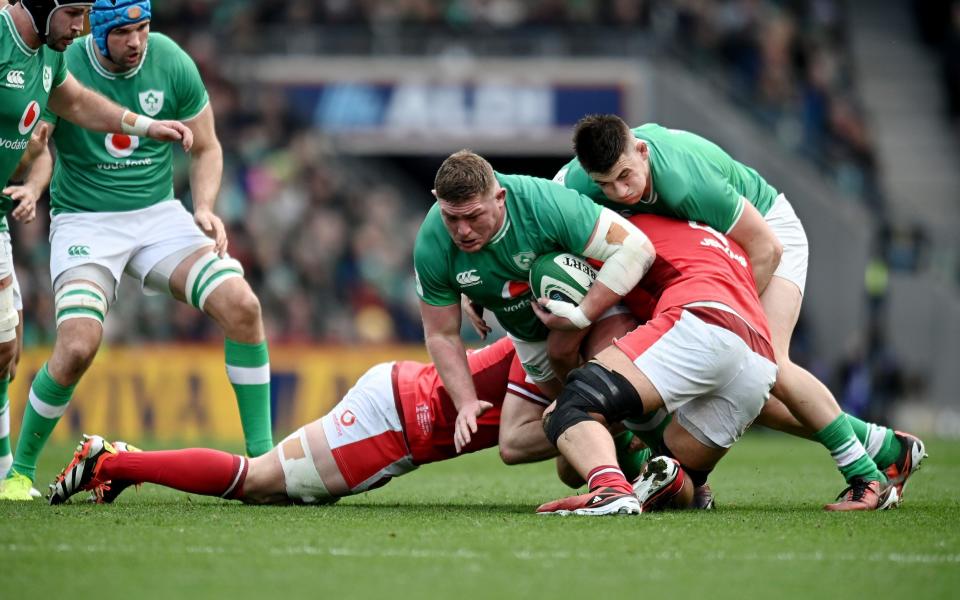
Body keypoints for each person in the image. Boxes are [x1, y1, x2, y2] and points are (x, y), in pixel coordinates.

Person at [553, 115, 924, 510]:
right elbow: (539, 212)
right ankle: (886, 448)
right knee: (745, 379)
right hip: (715, 257)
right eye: (605, 184)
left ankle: (865, 475)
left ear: (642, 152)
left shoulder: (683, 179)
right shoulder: (575, 182)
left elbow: (767, 247)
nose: (619, 191)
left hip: (767, 232)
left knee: (767, 364)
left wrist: (731, 317)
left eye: (625, 176)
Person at [0, 0, 273, 502]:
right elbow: (38, 146)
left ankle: (264, 461)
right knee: (78, 345)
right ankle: (19, 471)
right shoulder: (64, 56)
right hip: (85, 219)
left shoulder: (172, 60)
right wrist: (35, 185)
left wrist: (205, 206)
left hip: (158, 216)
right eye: (124, 32)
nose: (137, 42)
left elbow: (208, 146)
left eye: (144, 28)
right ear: (98, 31)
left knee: (243, 306)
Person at [535, 213, 900, 515]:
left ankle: (614, 490)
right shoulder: (710, 228)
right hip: (755, 348)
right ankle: (873, 465)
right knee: (678, 473)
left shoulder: (622, 230)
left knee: (570, 410)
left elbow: (560, 362)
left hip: (702, 322)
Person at [48, 337, 553, 505]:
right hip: (395, 419)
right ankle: (109, 462)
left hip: (399, 406)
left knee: (265, 488)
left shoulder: (565, 330)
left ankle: (124, 462)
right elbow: (517, 443)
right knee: (254, 480)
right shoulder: (555, 342)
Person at [413, 150, 655, 465]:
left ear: (500, 197)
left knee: (552, 276)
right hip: (528, 335)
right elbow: (441, 334)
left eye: (473, 217)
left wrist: (582, 314)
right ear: (437, 200)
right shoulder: (432, 243)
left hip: (593, 311)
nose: (462, 231)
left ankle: (669, 451)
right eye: (451, 218)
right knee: (523, 448)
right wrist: (467, 402)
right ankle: (625, 436)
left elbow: (637, 248)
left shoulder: (544, 204)